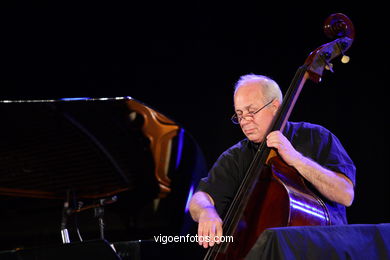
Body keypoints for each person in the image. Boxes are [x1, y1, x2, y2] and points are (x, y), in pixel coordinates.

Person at [189, 74, 356, 248]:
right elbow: (200, 198)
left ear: (275, 107)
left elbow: (345, 195)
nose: (245, 121)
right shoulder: (235, 157)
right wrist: (206, 212)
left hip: (323, 248)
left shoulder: (317, 137)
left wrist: (297, 160)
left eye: (251, 111)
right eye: (239, 114)